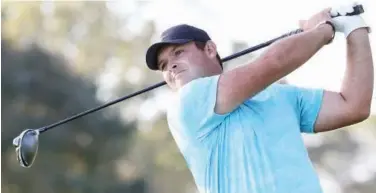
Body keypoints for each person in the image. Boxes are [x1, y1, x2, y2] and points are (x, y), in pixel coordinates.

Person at [145, 4, 373, 193]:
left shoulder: (279, 95)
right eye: (164, 65)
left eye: (178, 53)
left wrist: (355, 28)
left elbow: (353, 106)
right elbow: (273, 63)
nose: (171, 66)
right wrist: (325, 30)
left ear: (210, 50)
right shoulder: (186, 103)